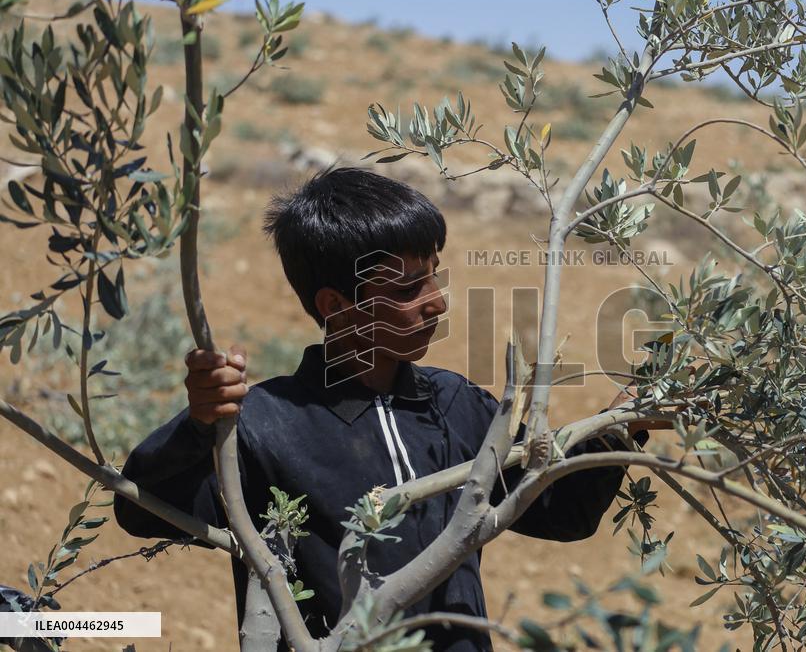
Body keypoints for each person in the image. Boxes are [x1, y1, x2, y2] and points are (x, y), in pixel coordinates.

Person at [113, 167, 650, 651]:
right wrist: (199, 423)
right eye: (409, 287)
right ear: (335, 306)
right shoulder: (263, 424)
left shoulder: (458, 407)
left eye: (434, 275)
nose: (437, 300)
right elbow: (140, 510)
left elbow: (564, 512)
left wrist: (625, 423)